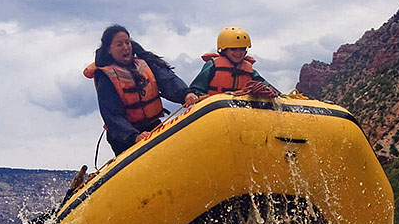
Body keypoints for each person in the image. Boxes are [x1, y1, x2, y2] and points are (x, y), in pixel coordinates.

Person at [85, 25, 197, 156]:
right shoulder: (106, 78)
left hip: (152, 127)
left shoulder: (145, 64)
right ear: (109, 49)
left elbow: (168, 81)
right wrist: (134, 137)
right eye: (119, 45)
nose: (125, 47)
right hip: (124, 139)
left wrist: (186, 94)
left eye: (127, 42)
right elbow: (112, 116)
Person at [189, 27, 280, 99]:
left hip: (241, 110)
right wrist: (199, 95)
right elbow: (196, 87)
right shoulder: (213, 65)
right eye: (233, 49)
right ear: (223, 50)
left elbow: (265, 86)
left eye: (242, 49)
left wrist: (279, 95)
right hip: (216, 110)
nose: (238, 53)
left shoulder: (250, 70)